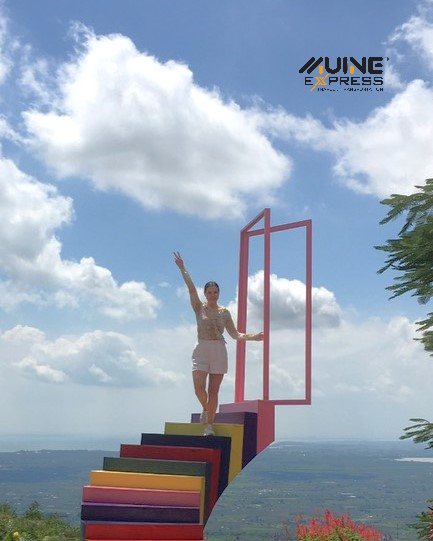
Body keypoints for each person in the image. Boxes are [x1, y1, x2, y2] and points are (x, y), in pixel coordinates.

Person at [174, 251, 264, 436]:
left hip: (219, 351)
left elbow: (235, 334)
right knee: (199, 388)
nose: (212, 295)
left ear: (219, 293)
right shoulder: (199, 307)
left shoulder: (225, 312)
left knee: (213, 391)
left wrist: (253, 337)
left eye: (215, 292)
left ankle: (209, 425)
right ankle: (206, 409)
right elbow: (191, 288)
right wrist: (183, 268)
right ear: (205, 294)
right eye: (209, 292)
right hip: (202, 348)